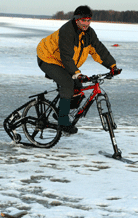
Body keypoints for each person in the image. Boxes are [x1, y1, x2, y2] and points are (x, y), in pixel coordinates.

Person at [37, 5, 121, 134]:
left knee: (78, 87)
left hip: (63, 62)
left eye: (88, 20)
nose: (86, 23)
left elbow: (98, 49)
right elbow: (66, 56)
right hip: (48, 58)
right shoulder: (67, 31)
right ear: (76, 19)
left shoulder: (89, 33)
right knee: (67, 83)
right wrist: (76, 73)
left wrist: (112, 66)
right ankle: (63, 120)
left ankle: (60, 112)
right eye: (83, 20)